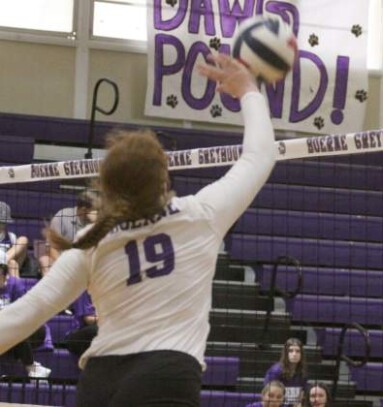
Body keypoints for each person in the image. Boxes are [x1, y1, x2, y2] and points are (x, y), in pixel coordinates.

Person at [0, 53, 276, 406]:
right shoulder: (201, 215)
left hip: (100, 380)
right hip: (164, 374)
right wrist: (249, 90)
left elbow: (26, 314)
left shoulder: (93, 240)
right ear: (164, 178)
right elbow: (260, 155)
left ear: (108, 187)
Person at [0, 251, 51, 378]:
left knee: (15, 329)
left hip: (28, 333)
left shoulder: (16, 284)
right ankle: (32, 367)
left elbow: (25, 314)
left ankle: (31, 367)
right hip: (5, 336)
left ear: (3, 270)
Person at [38, 191, 98, 276]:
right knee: (45, 261)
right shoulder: (62, 216)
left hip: (85, 262)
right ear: (84, 209)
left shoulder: (97, 223)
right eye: (96, 210)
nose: (98, 213)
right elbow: (52, 247)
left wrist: (96, 224)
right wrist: (63, 266)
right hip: (61, 260)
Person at [264, 338, 308, 406]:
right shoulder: (275, 371)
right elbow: (268, 395)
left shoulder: (303, 372)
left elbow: (303, 394)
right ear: (285, 353)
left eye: (298, 351)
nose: (294, 354)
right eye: (290, 351)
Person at [64, 291, 98, 358]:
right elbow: (89, 320)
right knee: (95, 330)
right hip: (80, 333)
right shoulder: (84, 291)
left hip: (102, 329)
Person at [0, 201, 29, 277]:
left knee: (23, 239)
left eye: (3, 222)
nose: (1, 225)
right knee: (13, 263)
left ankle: (2, 260)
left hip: (5, 268)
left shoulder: (11, 236)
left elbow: (20, 257)